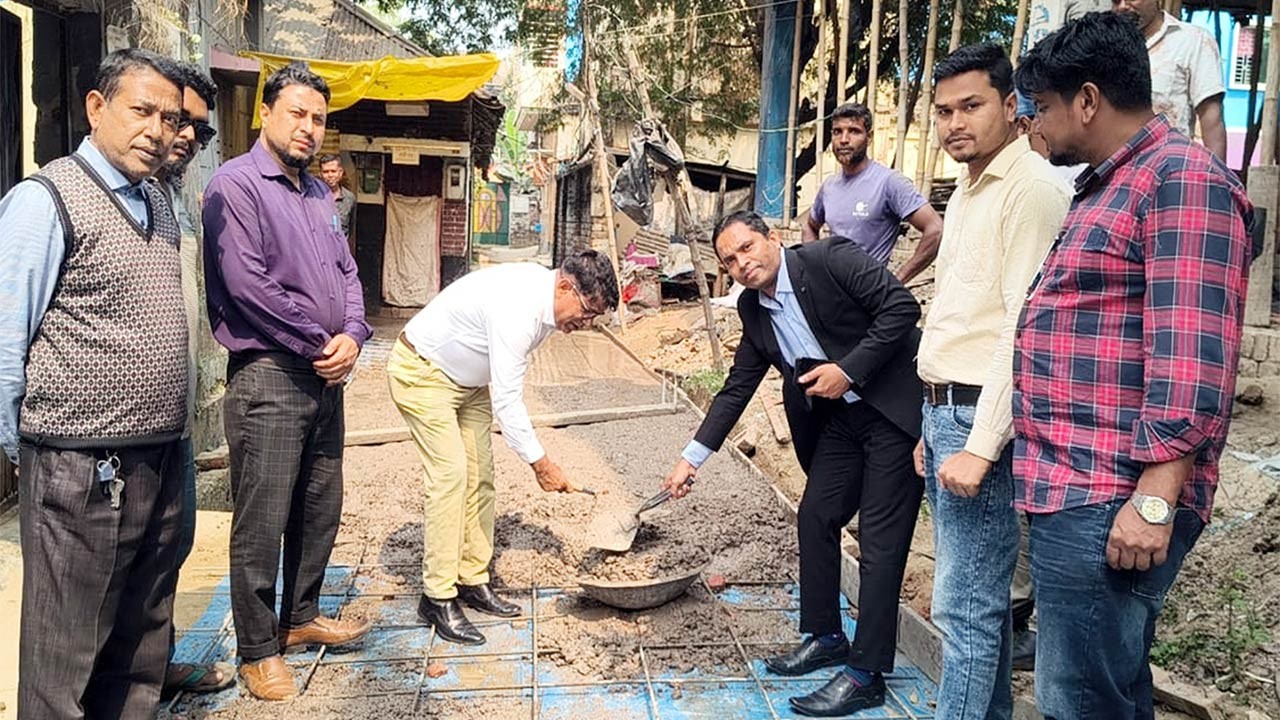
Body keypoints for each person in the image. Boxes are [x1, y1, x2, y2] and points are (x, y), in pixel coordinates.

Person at [1015, 12, 1252, 716]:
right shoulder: (1115, 183)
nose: (1037, 125)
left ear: (1088, 101)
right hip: (1078, 486)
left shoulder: (1181, 180)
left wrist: (1153, 501)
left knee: (1081, 699)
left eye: (1043, 108)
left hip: (1112, 493)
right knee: (1101, 689)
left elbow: (1192, 356)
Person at [661, 210, 923, 717]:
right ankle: (826, 636)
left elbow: (902, 309)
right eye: (729, 260)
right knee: (816, 515)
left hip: (892, 409)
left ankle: (866, 673)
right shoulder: (752, 308)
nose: (741, 263)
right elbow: (737, 386)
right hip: (840, 419)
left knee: (880, 540)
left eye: (747, 248)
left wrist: (849, 370)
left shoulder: (830, 259)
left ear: (773, 238)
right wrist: (691, 460)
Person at [0, 48, 188, 718]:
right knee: (65, 651)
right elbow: (6, 336)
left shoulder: (157, 200)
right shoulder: (46, 198)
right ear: (96, 108)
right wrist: (28, 453)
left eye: (170, 119)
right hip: (78, 466)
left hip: (159, 457)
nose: (157, 131)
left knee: (140, 642)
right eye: (142, 111)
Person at [203, 61, 373, 701]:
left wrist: (353, 333)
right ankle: (257, 650)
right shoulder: (235, 185)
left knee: (319, 506)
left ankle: (300, 618)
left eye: (319, 119)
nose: (308, 127)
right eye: (297, 113)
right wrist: (318, 341)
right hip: (270, 374)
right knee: (263, 517)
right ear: (266, 113)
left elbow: (347, 272)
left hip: (326, 376)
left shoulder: (320, 195)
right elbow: (247, 285)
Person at [917, 44, 1072, 720]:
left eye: (971, 106)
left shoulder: (1030, 190)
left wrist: (981, 445)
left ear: (1012, 107)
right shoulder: (969, 190)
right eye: (944, 111)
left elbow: (1022, 327)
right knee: (977, 607)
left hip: (982, 416)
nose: (955, 123)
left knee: (965, 610)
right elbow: (958, 313)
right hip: (946, 412)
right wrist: (930, 422)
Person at [388, 250, 617, 646]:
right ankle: (437, 597)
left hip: (470, 384)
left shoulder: (549, 305)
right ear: (566, 287)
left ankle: (472, 579)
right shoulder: (519, 308)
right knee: (451, 478)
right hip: (422, 372)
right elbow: (509, 402)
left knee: (481, 478)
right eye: (587, 311)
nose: (586, 323)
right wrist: (541, 464)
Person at [152, 61, 237, 701]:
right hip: (101, 434)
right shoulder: (71, 197)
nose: (185, 136)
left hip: (173, 421)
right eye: (177, 120)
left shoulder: (175, 203)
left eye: (199, 130)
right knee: (104, 573)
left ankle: (154, 666)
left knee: (169, 548)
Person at [802, 102, 943, 283]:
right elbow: (809, 226)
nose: (844, 139)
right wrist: (816, 269)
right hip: (832, 291)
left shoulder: (889, 182)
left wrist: (895, 282)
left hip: (868, 294)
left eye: (854, 131)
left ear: (869, 137)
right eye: (837, 132)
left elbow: (935, 229)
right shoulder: (829, 186)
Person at [1112, 0, 1227, 160]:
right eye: (1116, 1)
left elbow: (1211, 118)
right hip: (1112, 167)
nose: (1123, 6)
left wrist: (1217, 173)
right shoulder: (1105, 44)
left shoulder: (1193, 41)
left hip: (1167, 166)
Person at [319, 152, 356, 252]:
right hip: (319, 252)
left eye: (333, 171)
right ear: (320, 174)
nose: (330, 175)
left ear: (340, 172)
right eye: (326, 172)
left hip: (340, 253)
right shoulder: (313, 197)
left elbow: (351, 230)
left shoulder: (349, 198)